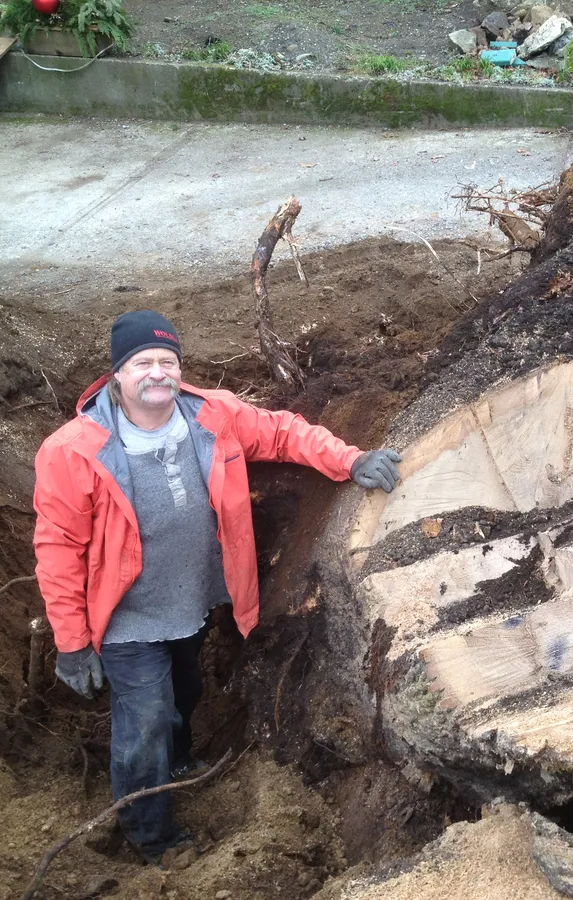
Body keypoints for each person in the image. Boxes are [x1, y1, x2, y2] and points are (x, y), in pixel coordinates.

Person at [32, 310, 402, 864]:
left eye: (167, 361)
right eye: (142, 363)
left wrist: (350, 460)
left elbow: (282, 432)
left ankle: (177, 762)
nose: (157, 373)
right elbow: (58, 549)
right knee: (147, 715)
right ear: (116, 375)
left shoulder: (211, 415)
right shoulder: (72, 451)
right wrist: (71, 641)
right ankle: (149, 835)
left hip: (193, 600)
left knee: (185, 692)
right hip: (124, 617)